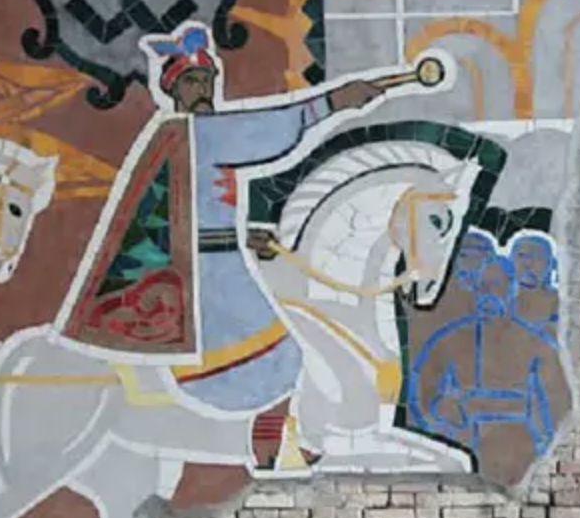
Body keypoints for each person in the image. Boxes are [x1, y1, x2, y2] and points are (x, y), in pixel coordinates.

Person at [59, 23, 383, 421]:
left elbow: (193, 209)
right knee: (279, 355)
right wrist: (333, 102)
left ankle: (278, 431)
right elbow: (263, 132)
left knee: (286, 349)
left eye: (207, 80)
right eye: (191, 81)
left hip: (220, 256)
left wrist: (240, 234)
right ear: (174, 90)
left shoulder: (184, 137)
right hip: (207, 274)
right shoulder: (195, 133)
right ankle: (276, 434)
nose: (202, 89)